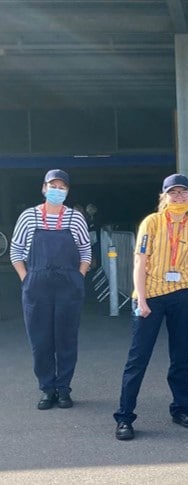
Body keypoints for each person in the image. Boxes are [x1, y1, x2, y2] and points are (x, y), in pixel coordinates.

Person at [114, 174, 188, 441]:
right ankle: (124, 416)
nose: (178, 197)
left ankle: (181, 408)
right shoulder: (151, 223)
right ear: (163, 196)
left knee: (180, 357)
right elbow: (140, 263)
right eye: (173, 193)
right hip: (151, 297)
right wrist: (141, 300)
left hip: (183, 295)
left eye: (183, 192)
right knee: (138, 358)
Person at [10, 169, 91, 410]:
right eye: (52, 186)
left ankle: (64, 388)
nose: (57, 190)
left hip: (68, 285)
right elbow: (15, 252)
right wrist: (26, 279)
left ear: (67, 191)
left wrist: (79, 277)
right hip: (37, 285)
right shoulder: (28, 217)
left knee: (66, 339)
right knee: (40, 340)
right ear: (44, 188)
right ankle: (47, 388)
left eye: (62, 187)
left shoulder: (75, 218)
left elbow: (86, 252)